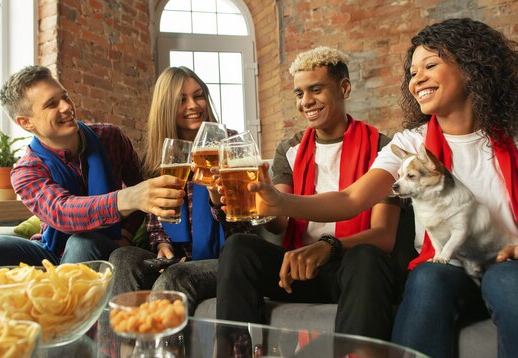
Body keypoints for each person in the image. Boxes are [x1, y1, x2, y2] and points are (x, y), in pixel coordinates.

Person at [245, 19, 518, 358]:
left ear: (474, 68)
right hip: (445, 268)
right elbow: (350, 198)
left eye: (430, 65)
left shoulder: (512, 140)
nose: (417, 79)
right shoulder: (409, 145)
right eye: (412, 72)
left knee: (509, 282)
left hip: (507, 264)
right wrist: (279, 200)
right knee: (428, 281)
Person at [215, 46, 405, 351]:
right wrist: (260, 204)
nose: (306, 102)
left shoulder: (383, 148)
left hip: (352, 267)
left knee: (367, 256)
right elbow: (279, 224)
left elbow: (384, 236)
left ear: (344, 88)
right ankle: (229, 351)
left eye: (315, 90)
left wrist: (328, 247)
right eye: (299, 93)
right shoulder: (288, 149)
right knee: (239, 247)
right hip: (298, 267)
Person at [0, 65, 186, 283]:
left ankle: (71, 323)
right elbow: (62, 212)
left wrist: (125, 232)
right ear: (26, 122)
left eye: (64, 96)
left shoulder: (110, 138)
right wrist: (127, 198)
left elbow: (142, 186)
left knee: (83, 242)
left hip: (104, 245)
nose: (66, 106)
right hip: (51, 249)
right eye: (51, 104)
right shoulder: (26, 170)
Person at [109, 66, 253, 314]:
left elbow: (243, 225)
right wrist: (163, 246)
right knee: (121, 258)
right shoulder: (160, 156)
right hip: (178, 258)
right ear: (165, 107)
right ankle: (121, 347)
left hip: (227, 258)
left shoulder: (230, 143)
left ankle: (162, 349)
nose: (194, 105)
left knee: (174, 278)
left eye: (198, 96)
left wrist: (217, 200)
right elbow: (156, 223)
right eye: (181, 100)